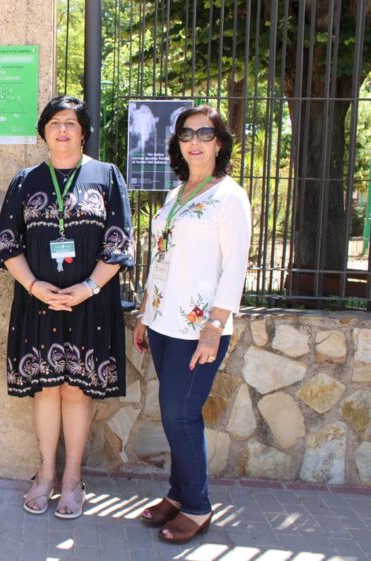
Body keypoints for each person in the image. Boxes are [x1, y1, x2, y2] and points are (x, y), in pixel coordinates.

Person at [0, 95, 134, 519]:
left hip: (89, 303)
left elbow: (119, 241)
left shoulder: (107, 176)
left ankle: (73, 478)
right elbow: (6, 241)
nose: (62, 130)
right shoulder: (25, 180)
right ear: (43, 131)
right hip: (39, 303)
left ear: (83, 131)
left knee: (77, 389)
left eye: (70, 123)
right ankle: (46, 473)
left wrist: (89, 287)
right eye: (54, 122)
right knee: (47, 388)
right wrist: (35, 286)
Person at [133, 105, 251, 544]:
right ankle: (178, 495)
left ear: (219, 143)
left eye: (205, 133)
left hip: (200, 328)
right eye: (187, 134)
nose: (195, 141)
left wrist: (215, 326)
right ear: (178, 144)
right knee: (173, 414)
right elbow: (161, 257)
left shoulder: (229, 196)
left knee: (181, 416)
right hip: (164, 323)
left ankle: (198, 506)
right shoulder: (175, 194)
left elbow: (235, 267)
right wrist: (146, 312)